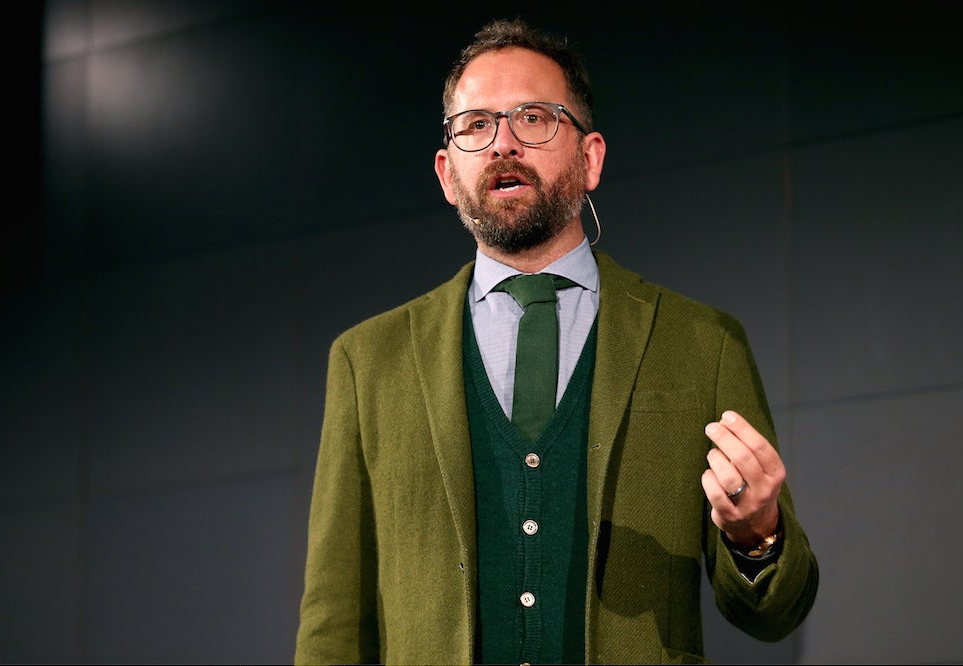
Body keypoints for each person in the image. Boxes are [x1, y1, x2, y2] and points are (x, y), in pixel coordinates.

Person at [294, 17, 818, 665]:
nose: (502, 144)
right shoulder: (367, 360)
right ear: (445, 172)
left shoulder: (700, 342)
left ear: (589, 157)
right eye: (475, 125)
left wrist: (755, 534)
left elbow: (774, 614)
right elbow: (333, 618)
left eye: (533, 118)